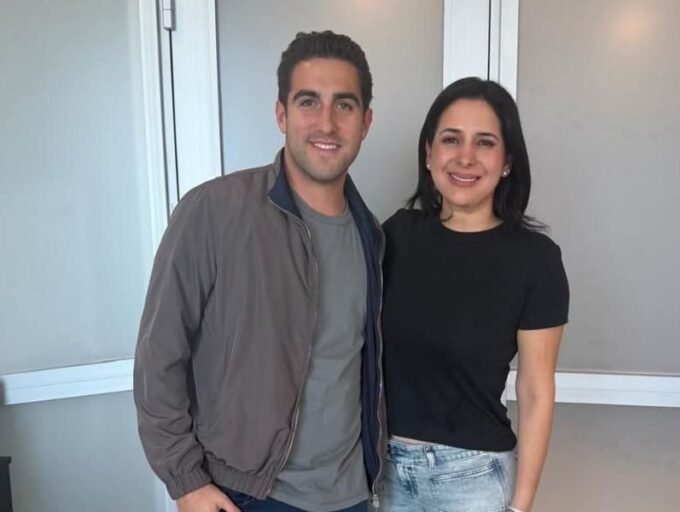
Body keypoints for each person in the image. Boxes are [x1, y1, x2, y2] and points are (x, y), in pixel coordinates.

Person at [133, 31, 386, 512]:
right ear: (281, 115)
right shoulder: (214, 211)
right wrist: (185, 481)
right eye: (308, 102)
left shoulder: (370, 234)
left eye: (345, 105)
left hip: (351, 495)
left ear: (366, 121)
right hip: (246, 494)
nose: (326, 122)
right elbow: (158, 355)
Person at [378, 77, 569, 512]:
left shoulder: (535, 259)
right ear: (429, 152)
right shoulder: (395, 236)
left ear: (507, 161)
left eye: (485, 142)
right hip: (382, 474)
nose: (465, 157)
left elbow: (536, 390)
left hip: (474, 479)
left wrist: (521, 504)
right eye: (451, 139)